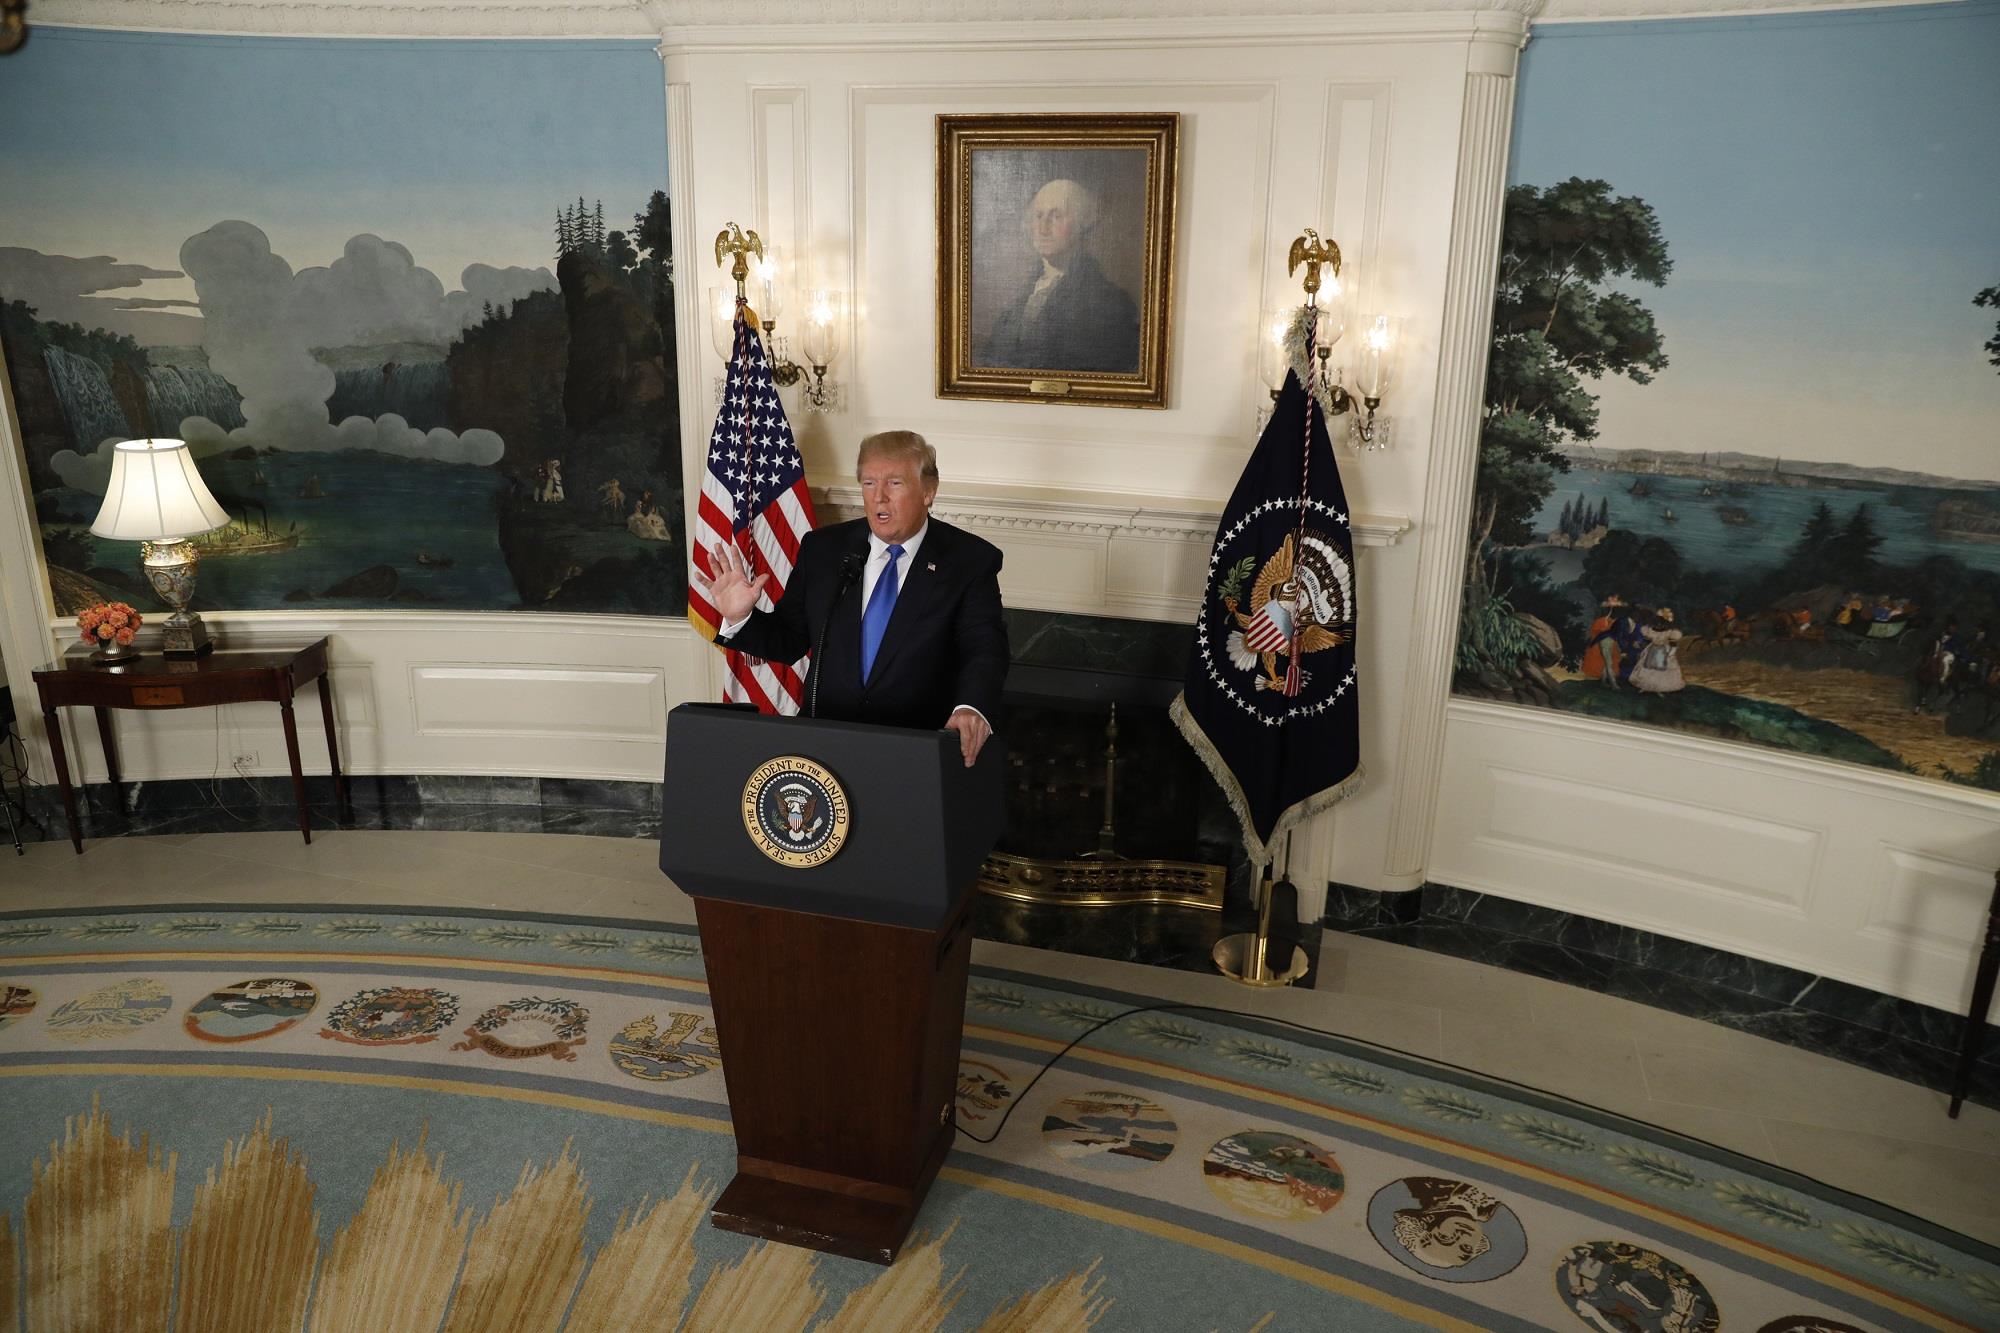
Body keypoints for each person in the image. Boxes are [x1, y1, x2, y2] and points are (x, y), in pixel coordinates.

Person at [706, 430, 1007, 766]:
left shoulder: (969, 561)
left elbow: (984, 648)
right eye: (869, 483)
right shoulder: (824, 550)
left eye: (894, 483)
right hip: (826, 747)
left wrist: (971, 707)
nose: (879, 497)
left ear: (928, 491)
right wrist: (741, 618)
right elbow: (790, 640)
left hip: (917, 751)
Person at [977, 178, 1141, 374]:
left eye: (1056, 216)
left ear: (1081, 224)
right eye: (1038, 216)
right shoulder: (1019, 300)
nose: (1043, 228)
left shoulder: (1112, 303)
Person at [1629, 607, 1685, 694]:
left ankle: (1658, 688)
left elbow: (1673, 644)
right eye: (1658, 622)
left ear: (1665, 623)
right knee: (1648, 668)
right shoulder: (1650, 631)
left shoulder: (1670, 632)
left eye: (1661, 622)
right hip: (1652, 649)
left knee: (1660, 669)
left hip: (1663, 650)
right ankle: (1646, 686)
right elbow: (1646, 637)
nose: (1659, 624)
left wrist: (1670, 653)